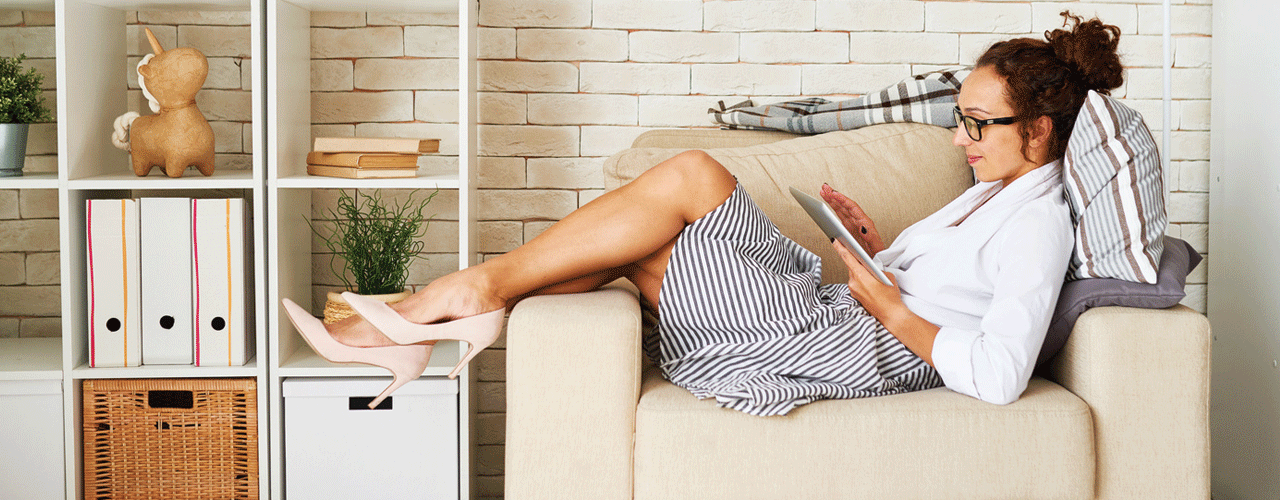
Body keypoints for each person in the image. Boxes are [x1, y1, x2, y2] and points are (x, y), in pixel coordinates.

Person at [283, 12, 1124, 415]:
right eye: (961, 118)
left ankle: (447, 304)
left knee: (684, 185)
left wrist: (894, 307)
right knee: (648, 241)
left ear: (1041, 129)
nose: (959, 139)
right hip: (842, 309)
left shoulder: (1042, 221)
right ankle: (452, 308)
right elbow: (938, 281)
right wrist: (876, 248)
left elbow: (1002, 371)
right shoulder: (993, 193)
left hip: (857, 343)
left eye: (978, 123)